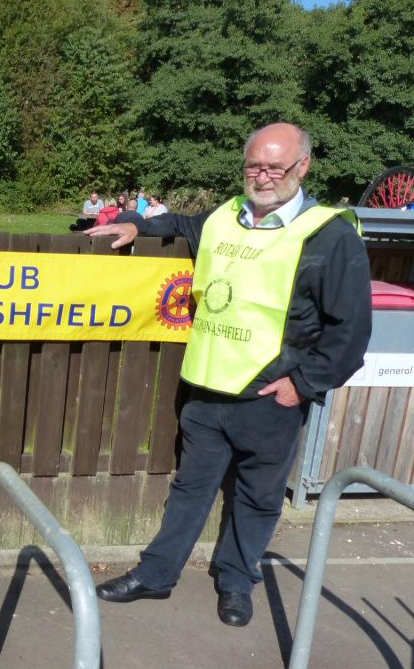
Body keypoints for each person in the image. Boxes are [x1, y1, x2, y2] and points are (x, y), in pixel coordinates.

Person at [86, 122, 370, 627]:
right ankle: (156, 576)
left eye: (275, 167)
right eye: (254, 166)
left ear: (302, 167)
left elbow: (349, 331)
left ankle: (237, 582)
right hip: (206, 390)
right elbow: (179, 223)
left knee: (257, 498)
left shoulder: (330, 234)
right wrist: (136, 224)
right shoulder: (225, 215)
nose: (262, 177)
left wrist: (302, 385)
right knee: (190, 488)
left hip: (270, 396)